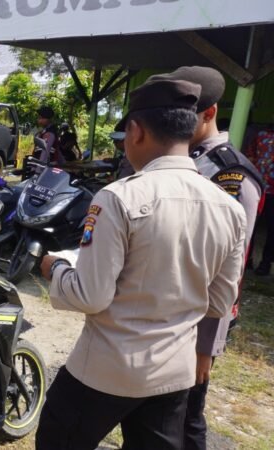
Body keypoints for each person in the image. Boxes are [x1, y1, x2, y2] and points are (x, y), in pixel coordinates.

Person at [35, 77, 247, 450]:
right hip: (173, 374)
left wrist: (55, 268)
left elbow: (90, 296)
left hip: (106, 369)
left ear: (135, 131)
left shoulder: (119, 198)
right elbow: (219, 302)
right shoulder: (228, 207)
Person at [158, 66, 264, 450]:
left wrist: (207, 344)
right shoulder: (178, 158)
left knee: (186, 415)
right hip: (168, 310)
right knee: (157, 414)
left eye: (190, 115)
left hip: (200, 318)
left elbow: (228, 269)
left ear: (210, 112)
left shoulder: (229, 174)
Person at [248, 129, 274, 276]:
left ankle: (265, 263)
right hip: (257, 187)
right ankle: (247, 260)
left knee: (272, 230)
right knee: (250, 225)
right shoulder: (261, 135)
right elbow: (251, 155)